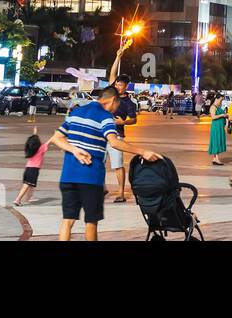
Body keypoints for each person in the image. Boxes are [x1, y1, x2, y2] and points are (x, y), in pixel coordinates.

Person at [50, 85, 162, 240]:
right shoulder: (105, 117)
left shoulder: (76, 112)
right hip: (90, 177)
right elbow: (114, 142)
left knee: (68, 220)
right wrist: (143, 152)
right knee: (91, 222)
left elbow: (56, 138)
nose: (116, 109)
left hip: (68, 176)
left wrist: (74, 150)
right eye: (117, 105)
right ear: (112, 100)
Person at [105, 45, 138, 204]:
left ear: (126, 86)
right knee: (97, 162)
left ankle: (121, 193)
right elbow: (112, 74)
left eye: (120, 85)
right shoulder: (112, 93)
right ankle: (102, 188)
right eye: (116, 84)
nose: (117, 86)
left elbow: (134, 119)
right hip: (101, 134)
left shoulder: (129, 103)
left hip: (117, 136)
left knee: (117, 165)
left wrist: (123, 121)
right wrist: (118, 56)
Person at [14, 133, 50, 206]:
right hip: (33, 170)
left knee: (30, 185)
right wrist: (56, 134)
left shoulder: (32, 149)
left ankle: (29, 197)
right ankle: (18, 199)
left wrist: (35, 133)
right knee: (27, 185)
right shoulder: (41, 148)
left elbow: (33, 142)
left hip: (28, 169)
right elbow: (50, 141)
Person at [208, 95, 228, 165]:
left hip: (219, 127)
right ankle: (216, 159)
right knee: (216, 142)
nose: (221, 102)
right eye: (221, 100)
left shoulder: (217, 107)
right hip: (216, 127)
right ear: (216, 99)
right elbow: (213, 117)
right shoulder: (213, 107)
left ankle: (215, 158)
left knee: (218, 141)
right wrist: (222, 115)